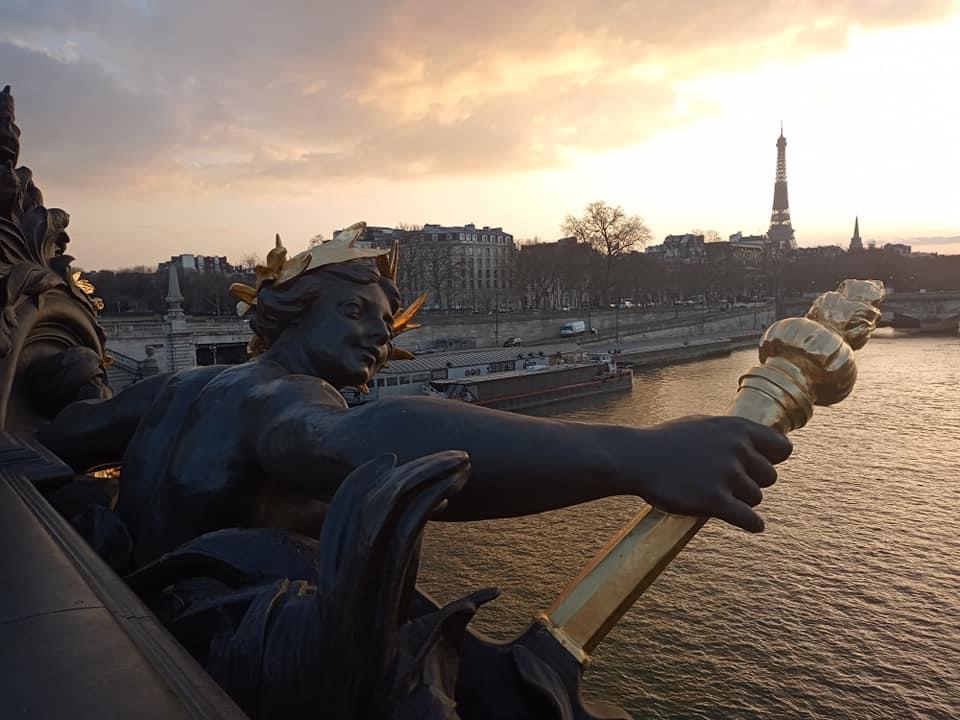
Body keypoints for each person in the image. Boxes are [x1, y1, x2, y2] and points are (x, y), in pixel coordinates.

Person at [40, 224, 791, 569]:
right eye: (358, 312)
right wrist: (635, 453)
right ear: (294, 312)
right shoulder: (280, 398)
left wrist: (67, 371)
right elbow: (355, 451)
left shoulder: (180, 385)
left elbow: (71, 430)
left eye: (387, 319)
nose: (383, 334)